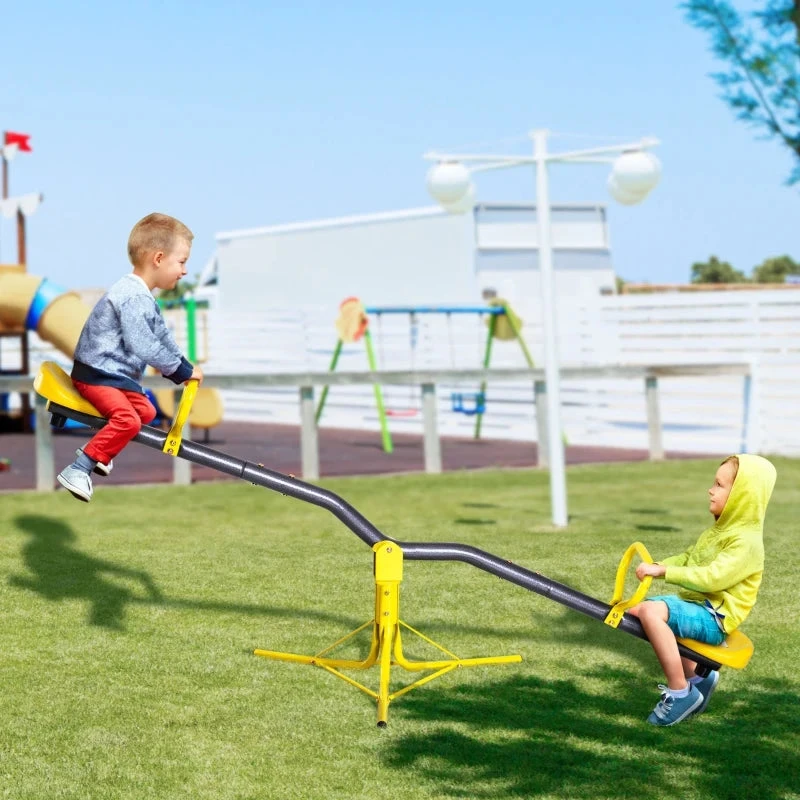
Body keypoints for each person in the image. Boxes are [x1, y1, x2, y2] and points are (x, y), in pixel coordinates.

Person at [57, 212, 203, 502]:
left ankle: (103, 452)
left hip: (116, 377)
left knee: (146, 413)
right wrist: (180, 372)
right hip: (98, 374)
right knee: (128, 421)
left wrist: (184, 365)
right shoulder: (133, 296)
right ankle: (79, 468)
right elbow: (144, 345)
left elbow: (161, 336)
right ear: (158, 259)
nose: (185, 271)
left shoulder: (144, 296)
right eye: (182, 262)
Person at [628, 453, 776, 727]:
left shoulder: (745, 542)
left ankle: (680, 691)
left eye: (719, 485)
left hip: (715, 617)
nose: (711, 490)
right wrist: (659, 564)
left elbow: (712, 578)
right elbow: (689, 558)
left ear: (742, 496)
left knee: (651, 613)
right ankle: (699, 677)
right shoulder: (718, 531)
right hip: (701, 608)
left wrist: (664, 572)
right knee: (636, 611)